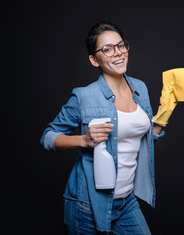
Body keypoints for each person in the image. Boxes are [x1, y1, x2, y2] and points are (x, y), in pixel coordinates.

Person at [40, 21, 164, 234]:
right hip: (87, 202)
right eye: (107, 49)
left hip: (126, 201)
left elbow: (144, 138)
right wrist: (83, 140)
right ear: (94, 60)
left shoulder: (140, 88)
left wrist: (166, 113)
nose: (118, 53)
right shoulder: (84, 96)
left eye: (121, 45)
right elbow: (48, 137)